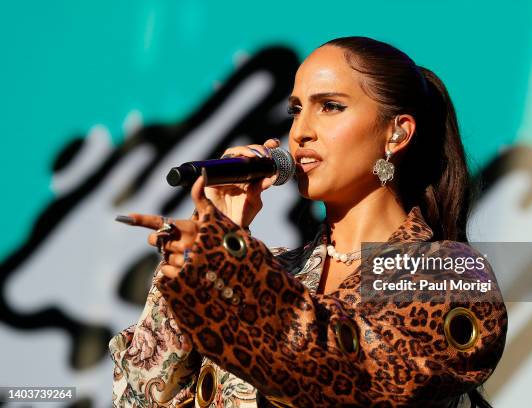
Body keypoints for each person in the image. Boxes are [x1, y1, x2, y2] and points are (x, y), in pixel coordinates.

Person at [110, 36, 507, 407]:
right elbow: (140, 396)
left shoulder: (447, 273)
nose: (300, 132)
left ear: (397, 133)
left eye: (330, 106)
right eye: (296, 110)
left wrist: (233, 265)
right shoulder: (276, 271)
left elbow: (345, 371)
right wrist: (214, 237)